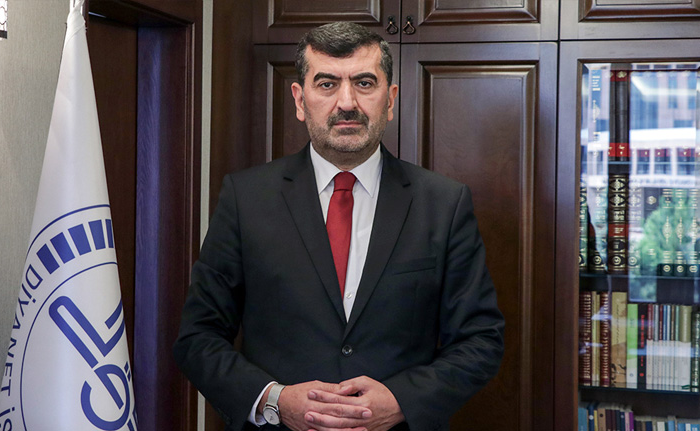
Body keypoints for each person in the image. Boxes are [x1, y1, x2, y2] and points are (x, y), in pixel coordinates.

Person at [173, 22, 505, 431]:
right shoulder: (246, 199)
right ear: (300, 100)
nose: (347, 103)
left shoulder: (444, 204)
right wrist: (274, 400)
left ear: (390, 100)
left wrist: (402, 400)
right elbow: (198, 337)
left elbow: (481, 340)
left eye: (364, 83)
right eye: (327, 84)